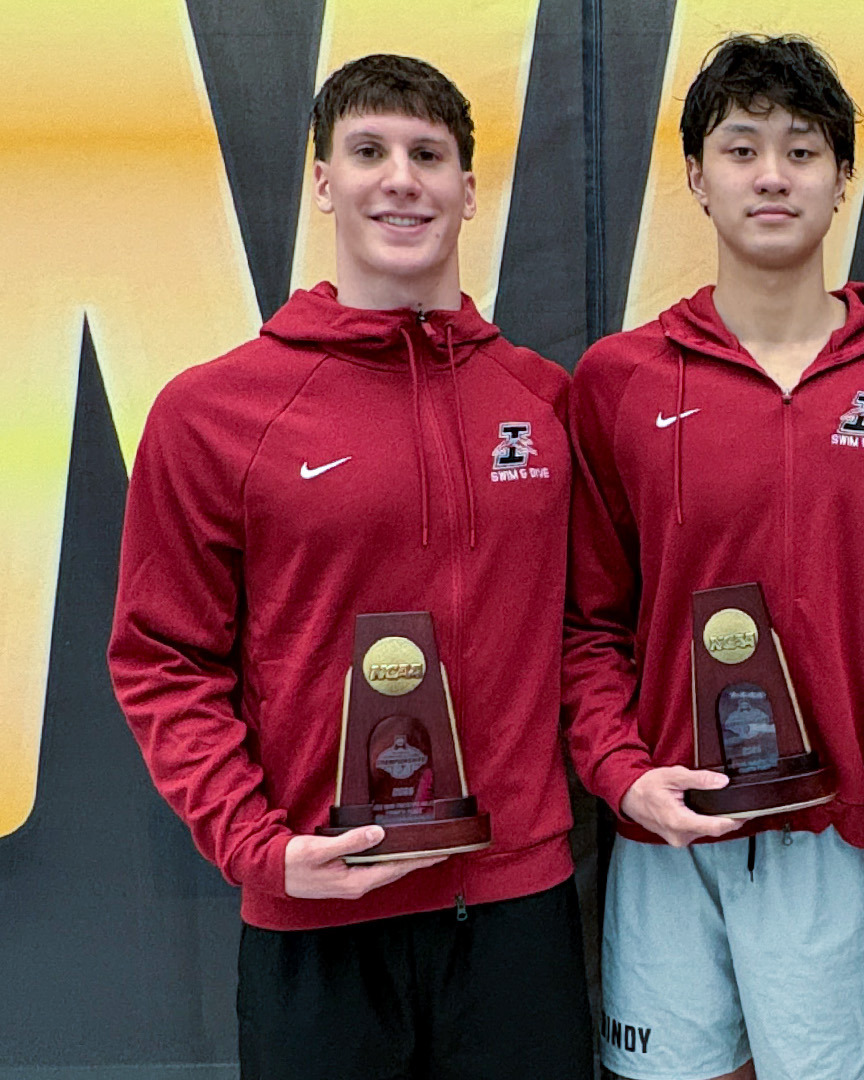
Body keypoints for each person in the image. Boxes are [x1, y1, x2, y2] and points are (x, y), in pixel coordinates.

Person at [108, 54, 592, 1079]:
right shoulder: (212, 413)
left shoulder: (541, 398)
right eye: (368, 151)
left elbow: (590, 633)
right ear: (322, 182)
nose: (400, 179)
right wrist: (259, 849)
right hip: (317, 908)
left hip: (514, 908)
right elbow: (163, 660)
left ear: (470, 189)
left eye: (428, 154)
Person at [561, 34, 864, 1080]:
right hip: (667, 828)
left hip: (844, 828)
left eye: (802, 149)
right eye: (742, 149)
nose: (773, 175)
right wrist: (622, 776)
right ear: (697, 178)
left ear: (843, 177)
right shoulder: (618, 379)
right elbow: (590, 622)